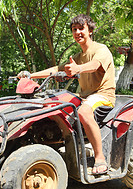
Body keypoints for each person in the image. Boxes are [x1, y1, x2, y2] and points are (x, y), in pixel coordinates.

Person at [18, 14, 116, 175]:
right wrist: (30, 75)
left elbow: (95, 65)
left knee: (84, 111)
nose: (77, 32)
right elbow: (57, 69)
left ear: (90, 30)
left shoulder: (101, 50)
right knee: (52, 106)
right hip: (84, 96)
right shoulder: (77, 57)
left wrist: (79, 69)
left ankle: (100, 159)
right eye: (74, 29)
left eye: (81, 28)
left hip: (103, 95)